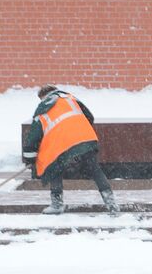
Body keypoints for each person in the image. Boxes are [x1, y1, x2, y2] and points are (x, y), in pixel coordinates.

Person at [21, 85, 119, 214]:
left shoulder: (44, 106)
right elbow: (89, 117)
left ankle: (57, 204)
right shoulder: (71, 99)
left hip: (63, 143)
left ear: (43, 97)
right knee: (95, 169)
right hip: (85, 138)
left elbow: (34, 135)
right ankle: (111, 203)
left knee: (54, 167)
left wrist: (29, 158)